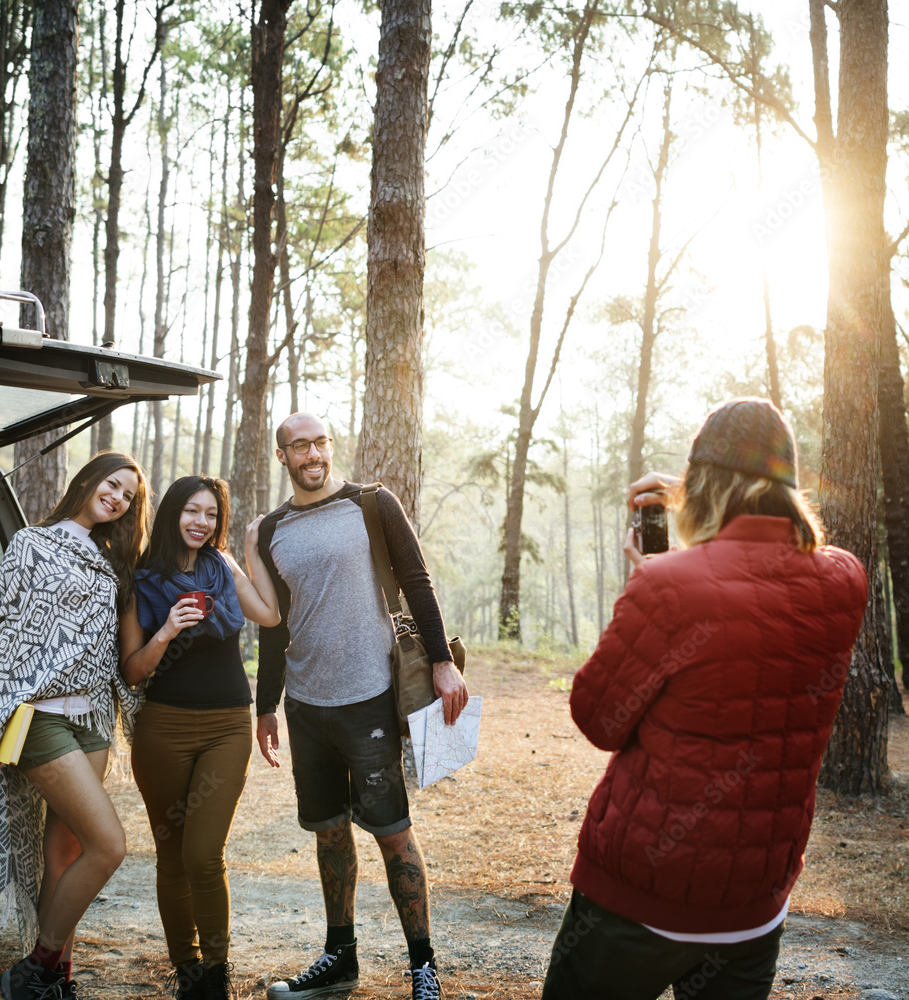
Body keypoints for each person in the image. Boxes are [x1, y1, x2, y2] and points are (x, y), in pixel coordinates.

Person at [541, 397, 870, 1000]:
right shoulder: (844, 582)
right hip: (753, 906)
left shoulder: (669, 587)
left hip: (637, 902)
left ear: (702, 484)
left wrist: (650, 578)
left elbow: (598, 718)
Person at [254, 412, 468, 1000]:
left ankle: (423, 966)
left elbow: (417, 579)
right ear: (283, 458)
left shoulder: (373, 505)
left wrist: (442, 659)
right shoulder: (273, 530)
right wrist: (265, 704)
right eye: (300, 447)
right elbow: (273, 627)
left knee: (394, 833)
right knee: (328, 834)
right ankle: (339, 957)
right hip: (306, 705)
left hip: (371, 697)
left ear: (330, 446)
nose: (313, 454)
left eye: (320, 442)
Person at [0, 451, 151, 1000]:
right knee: (108, 845)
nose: (117, 498)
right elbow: (4, 638)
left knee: (66, 853)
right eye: (112, 484)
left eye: (128, 496)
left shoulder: (111, 562)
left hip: (92, 718)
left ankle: (56, 979)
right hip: (39, 720)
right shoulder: (31, 545)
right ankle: (33, 968)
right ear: (87, 480)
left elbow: (110, 646)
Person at [118, 475, 280, 1000]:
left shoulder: (222, 567)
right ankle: (186, 971)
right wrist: (166, 630)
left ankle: (215, 974)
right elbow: (134, 672)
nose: (201, 523)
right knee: (171, 854)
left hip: (227, 723)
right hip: (162, 728)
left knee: (204, 854)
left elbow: (271, 614)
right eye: (192, 511)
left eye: (212, 514)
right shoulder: (140, 580)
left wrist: (251, 550)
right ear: (172, 514)